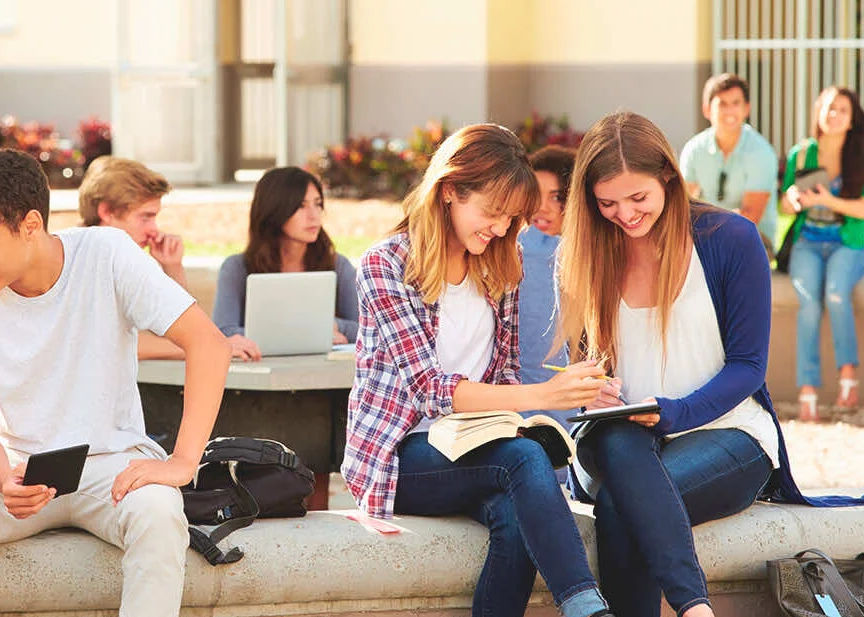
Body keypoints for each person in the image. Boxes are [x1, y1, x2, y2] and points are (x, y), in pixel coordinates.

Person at [555, 111, 864, 617]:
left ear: (668, 175)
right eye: (607, 203)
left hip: (728, 432)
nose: (624, 214)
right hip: (620, 440)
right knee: (620, 455)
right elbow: (586, 365)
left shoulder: (728, 239)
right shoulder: (584, 251)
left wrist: (674, 412)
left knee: (622, 507)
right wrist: (591, 389)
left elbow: (749, 366)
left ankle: (693, 608)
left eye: (638, 198)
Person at [0, 148, 231, 617]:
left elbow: (209, 344)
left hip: (114, 464)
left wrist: (183, 461)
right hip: (18, 468)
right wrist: (6, 479)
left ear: (30, 225)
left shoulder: (106, 252)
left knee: (160, 514)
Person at [343, 123, 616, 617]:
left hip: (478, 445)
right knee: (526, 459)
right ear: (450, 191)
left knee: (516, 517)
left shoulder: (501, 264)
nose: (499, 229)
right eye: (491, 213)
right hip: (400, 454)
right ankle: (587, 609)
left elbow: (505, 375)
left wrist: (575, 393)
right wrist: (544, 395)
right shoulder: (385, 265)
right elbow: (430, 390)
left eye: (511, 219)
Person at [781, 86, 864, 421]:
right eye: (830, 108)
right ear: (818, 111)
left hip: (846, 245)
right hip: (807, 242)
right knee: (808, 303)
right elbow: (785, 201)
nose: (835, 115)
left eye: (843, 111)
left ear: (852, 121)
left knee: (836, 294)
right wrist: (793, 198)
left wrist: (826, 200)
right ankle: (807, 391)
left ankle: (848, 376)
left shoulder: (859, 156)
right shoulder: (802, 154)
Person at [212, 166, 359, 361]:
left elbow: (369, 329)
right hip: (258, 379)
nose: (314, 216)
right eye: (301, 206)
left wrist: (334, 326)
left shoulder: (337, 265)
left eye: (318, 204)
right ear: (275, 209)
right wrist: (311, 331)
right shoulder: (237, 268)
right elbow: (223, 332)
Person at [78, 155, 190, 360]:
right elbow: (105, 343)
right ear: (107, 212)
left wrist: (173, 267)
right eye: (145, 217)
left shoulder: (126, 260)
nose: (153, 230)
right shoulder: (74, 259)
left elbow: (176, 330)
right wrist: (198, 348)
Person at [678, 73, 781, 256]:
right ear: (707, 109)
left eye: (736, 103)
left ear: (747, 108)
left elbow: (750, 217)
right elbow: (684, 205)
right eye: (722, 104)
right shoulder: (693, 150)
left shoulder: (761, 152)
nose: (730, 111)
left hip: (754, 237)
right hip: (706, 235)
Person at [516, 145, 575, 431]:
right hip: (518, 404)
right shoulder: (515, 246)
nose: (542, 207)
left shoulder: (599, 250)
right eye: (535, 195)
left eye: (557, 196)